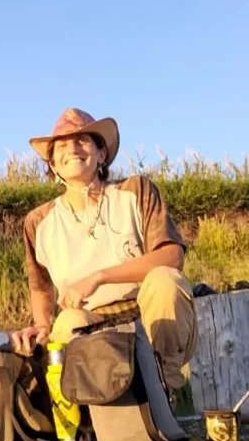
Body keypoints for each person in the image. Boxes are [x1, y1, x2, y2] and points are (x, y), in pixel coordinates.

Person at [11, 108, 197, 390]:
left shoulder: (136, 191)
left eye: (83, 140)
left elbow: (172, 256)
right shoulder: (39, 222)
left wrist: (98, 277)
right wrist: (42, 328)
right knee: (69, 321)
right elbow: (41, 287)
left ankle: (164, 388)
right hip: (90, 321)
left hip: (145, 315)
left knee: (165, 280)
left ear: (101, 155)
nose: (72, 148)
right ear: (53, 164)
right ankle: (87, 415)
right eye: (61, 145)